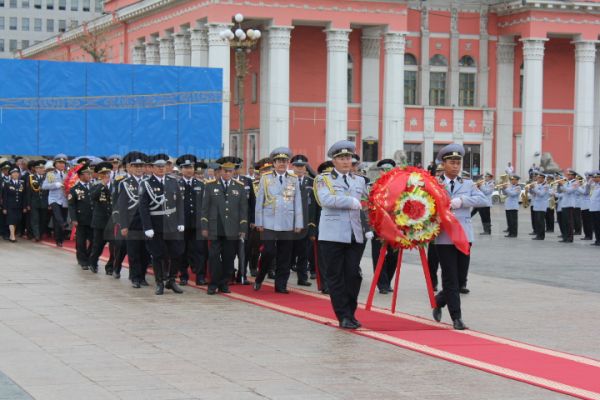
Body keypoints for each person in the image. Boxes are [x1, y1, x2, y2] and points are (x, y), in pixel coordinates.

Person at [431, 144, 487, 330]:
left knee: (461, 278)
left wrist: (462, 201)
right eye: (451, 163)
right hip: (444, 236)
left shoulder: (468, 183)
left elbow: (484, 200)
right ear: (443, 164)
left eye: (458, 163)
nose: (455, 166)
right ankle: (457, 317)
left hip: (464, 235)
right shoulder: (434, 183)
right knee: (450, 278)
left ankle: (439, 300)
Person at [315, 140, 370, 329]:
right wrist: (350, 201)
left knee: (353, 275)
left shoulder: (359, 180)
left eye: (348, 158)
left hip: (356, 234)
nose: (346, 161)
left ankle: (350, 312)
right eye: (341, 158)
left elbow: (366, 203)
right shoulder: (323, 179)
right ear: (334, 161)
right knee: (336, 276)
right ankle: (343, 315)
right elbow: (325, 199)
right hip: (332, 235)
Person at [253, 147, 303, 294]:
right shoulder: (266, 178)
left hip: (287, 222)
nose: (282, 163)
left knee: (285, 255)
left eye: (284, 161)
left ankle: (281, 285)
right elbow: (260, 201)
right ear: (274, 163)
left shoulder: (293, 179)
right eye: (279, 161)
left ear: (288, 163)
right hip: (269, 222)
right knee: (268, 252)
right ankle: (260, 277)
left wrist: (298, 223)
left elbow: (298, 202)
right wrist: (259, 222)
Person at [201, 157, 248, 295]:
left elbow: (243, 209)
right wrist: (204, 226)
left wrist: (242, 228)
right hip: (215, 227)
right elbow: (205, 208)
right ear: (220, 171)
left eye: (230, 171)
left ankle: (224, 283)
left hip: (232, 228)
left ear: (233, 172)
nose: (227, 173)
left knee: (229, 257)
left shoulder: (239, 186)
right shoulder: (210, 185)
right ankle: (213, 283)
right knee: (214, 257)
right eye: (225, 171)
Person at [139, 155, 185, 295]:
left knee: (177, 252)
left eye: (163, 166)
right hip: (156, 224)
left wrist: (180, 222)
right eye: (158, 167)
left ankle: (171, 280)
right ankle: (159, 282)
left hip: (172, 224)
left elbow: (179, 203)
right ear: (153, 168)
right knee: (157, 255)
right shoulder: (146, 183)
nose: (161, 169)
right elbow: (143, 208)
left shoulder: (172, 181)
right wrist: (147, 227)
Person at [117, 152, 149, 287]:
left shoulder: (149, 182)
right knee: (134, 252)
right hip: (132, 223)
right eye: (136, 166)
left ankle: (142, 276)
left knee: (146, 252)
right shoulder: (124, 183)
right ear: (130, 167)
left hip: (147, 223)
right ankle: (135, 277)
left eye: (141, 166)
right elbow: (122, 206)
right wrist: (124, 225)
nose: (139, 168)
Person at [174, 155, 206, 286]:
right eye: (186, 168)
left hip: (197, 224)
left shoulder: (201, 184)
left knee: (200, 251)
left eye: (191, 167)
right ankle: (183, 275)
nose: (189, 170)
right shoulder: (176, 185)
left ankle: (200, 276)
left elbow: (205, 205)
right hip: (182, 224)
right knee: (182, 251)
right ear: (181, 170)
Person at [370, 159, 399, 294]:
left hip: (396, 226)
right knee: (378, 255)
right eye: (383, 170)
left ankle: (387, 281)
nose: (386, 172)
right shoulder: (373, 186)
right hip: (378, 226)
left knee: (394, 255)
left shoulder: (401, 187)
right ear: (380, 171)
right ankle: (382, 284)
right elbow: (368, 206)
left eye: (389, 170)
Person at [289, 154, 315, 287]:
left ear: (306, 168)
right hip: (289, 224)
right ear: (292, 167)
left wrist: (312, 225)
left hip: (305, 223)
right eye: (297, 166)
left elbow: (315, 206)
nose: (299, 169)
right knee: (287, 253)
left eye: (302, 166)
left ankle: (302, 278)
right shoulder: (287, 181)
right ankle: (282, 279)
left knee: (303, 253)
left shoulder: (312, 183)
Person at [88, 162, 114, 274]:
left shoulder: (115, 185)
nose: (106, 175)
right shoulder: (96, 186)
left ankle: (110, 267)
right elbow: (93, 197)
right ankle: (93, 263)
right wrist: (102, 184)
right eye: (103, 173)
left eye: (107, 173)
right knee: (98, 245)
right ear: (99, 175)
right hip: (100, 220)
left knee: (114, 246)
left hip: (112, 221)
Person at [68, 164, 94, 270]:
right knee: (81, 241)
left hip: (93, 219)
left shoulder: (93, 187)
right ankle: (82, 260)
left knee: (93, 240)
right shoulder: (74, 189)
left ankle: (90, 258)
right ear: (81, 175)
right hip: (81, 219)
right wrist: (73, 219)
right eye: (87, 173)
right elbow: (71, 205)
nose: (89, 175)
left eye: (90, 173)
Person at [42, 154, 69, 247]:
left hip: (64, 200)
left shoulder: (67, 174)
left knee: (61, 219)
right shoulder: (51, 174)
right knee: (58, 217)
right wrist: (55, 185)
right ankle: (59, 237)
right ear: (55, 164)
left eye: (63, 163)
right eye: (59, 163)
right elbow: (44, 186)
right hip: (54, 199)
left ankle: (60, 238)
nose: (62, 164)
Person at [25, 160, 49, 242]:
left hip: (44, 202)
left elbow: (49, 191)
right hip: (34, 202)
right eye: (39, 168)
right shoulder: (31, 177)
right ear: (35, 169)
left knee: (43, 219)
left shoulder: (47, 177)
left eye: (42, 168)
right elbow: (28, 192)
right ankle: (36, 235)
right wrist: (28, 204)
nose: (41, 169)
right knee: (35, 219)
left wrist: (49, 203)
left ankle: (40, 234)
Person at [1, 166, 25, 242]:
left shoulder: (22, 183)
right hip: (10, 205)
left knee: (16, 220)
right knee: (11, 220)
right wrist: (4, 208)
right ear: (10, 175)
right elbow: (5, 196)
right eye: (13, 173)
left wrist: (24, 206)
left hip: (19, 205)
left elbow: (24, 196)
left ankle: (12, 234)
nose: (15, 174)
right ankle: (12, 236)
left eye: (17, 173)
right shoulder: (7, 183)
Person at [557, 169, 579, 243]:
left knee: (569, 222)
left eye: (569, 175)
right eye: (568, 175)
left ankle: (570, 238)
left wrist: (562, 185)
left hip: (570, 204)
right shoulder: (567, 182)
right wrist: (560, 184)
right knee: (564, 222)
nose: (568, 176)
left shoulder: (576, 182)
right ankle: (565, 237)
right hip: (564, 203)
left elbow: (569, 191)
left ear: (573, 176)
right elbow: (563, 190)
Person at [530, 173, 550, 240]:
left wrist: (534, 187)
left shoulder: (546, 186)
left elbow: (541, 194)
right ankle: (538, 234)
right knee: (537, 221)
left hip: (542, 206)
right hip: (536, 205)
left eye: (539, 178)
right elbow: (533, 193)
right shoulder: (537, 185)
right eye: (538, 178)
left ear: (543, 178)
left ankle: (541, 236)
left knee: (541, 221)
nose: (537, 179)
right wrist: (530, 189)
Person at [589, 170, 600, 246]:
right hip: (593, 208)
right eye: (594, 177)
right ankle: (597, 240)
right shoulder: (594, 185)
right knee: (595, 226)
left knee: (598, 225)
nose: (594, 178)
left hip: (598, 208)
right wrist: (588, 184)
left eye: (596, 177)